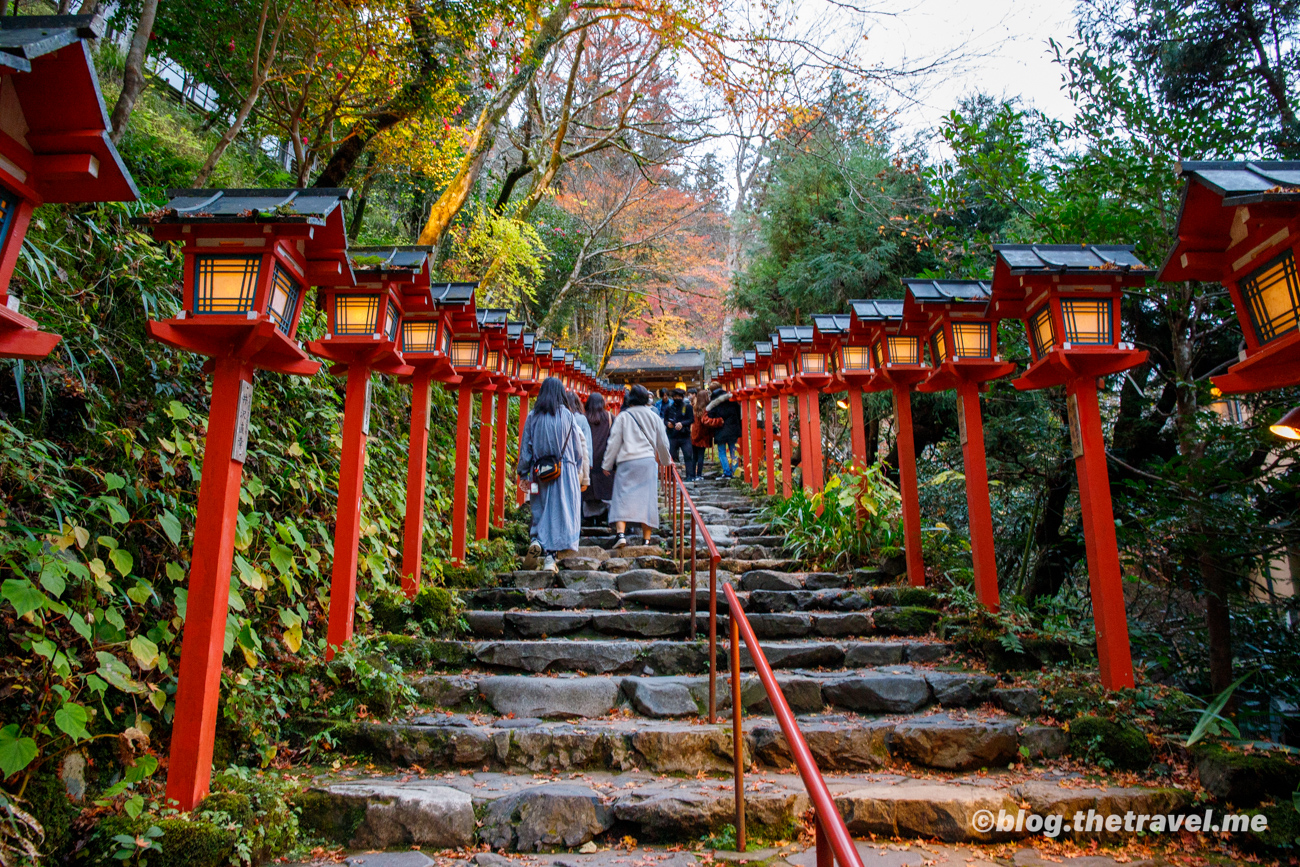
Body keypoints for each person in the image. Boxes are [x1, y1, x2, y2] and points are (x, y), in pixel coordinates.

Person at [518, 377, 590, 572]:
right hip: (564, 470)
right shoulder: (567, 415)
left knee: (539, 507)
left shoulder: (533, 416)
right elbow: (577, 447)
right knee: (559, 513)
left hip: (538, 471)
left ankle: (536, 541)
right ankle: (550, 557)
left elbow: (526, 447)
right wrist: (576, 469)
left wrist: (523, 473)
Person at [603, 383, 671, 548]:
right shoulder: (654, 416)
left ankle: (621, 535)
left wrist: (607, 463)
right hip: (647, 462)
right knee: (647, 500)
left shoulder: (624, 417)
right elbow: (662, 442)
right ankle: (646, 540)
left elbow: (614, 442)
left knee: (621, 497)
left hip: (627, 461)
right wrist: (666, 460)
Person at [582, 393, 614, 521]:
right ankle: (604, 517)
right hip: (605, 464)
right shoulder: (610, 418)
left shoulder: (583, 419)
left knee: (588, 494)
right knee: (605, 493)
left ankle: (589, 519)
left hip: (587, 464)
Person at [707, 380, 742, 479]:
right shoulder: (732, 399)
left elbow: (710, 415)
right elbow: (739, 413)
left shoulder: (714, 402)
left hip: (720, 430)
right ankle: (735, 472)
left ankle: (727, 472)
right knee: (733, 451)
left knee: (722, 451)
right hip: (733, 429)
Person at [689, 386, 717, 481]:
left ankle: (692, 474)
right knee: (701, 456)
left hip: (694, 434)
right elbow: (706, 422)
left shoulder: (694, 408)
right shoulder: (706, 409)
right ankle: (699, 474)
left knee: (694, 456)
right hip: (703, 434)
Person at [663, 387, 693, 472]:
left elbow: (691, 419)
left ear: (683, 397)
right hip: (672, 435)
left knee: (688, 455)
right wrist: (668, 424)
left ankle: (690, 475)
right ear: (672, 397)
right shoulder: (669, 408)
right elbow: (665, 420)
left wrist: (682, 424)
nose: (678, 399)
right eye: (675, 397)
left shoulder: (688, 407)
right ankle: (670, 475)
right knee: (671, 456)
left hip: (685, 435)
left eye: (680, 397)